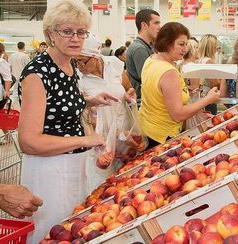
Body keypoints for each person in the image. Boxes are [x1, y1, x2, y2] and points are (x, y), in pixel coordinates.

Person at [17, 1, 118, 242]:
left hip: (73, 165)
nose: (76, 38)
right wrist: (85, 139)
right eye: (67, 31)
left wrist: (89, 101)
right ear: (50, 33)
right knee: (53, 233)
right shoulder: (37, 73)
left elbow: (58, 105)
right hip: (49, 171)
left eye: (81, 32)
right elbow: (29, 141)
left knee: (72, 230)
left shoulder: (69, 64)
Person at [138, 22, 220, 149]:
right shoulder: (169, 72)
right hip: (163, 137)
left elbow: (159, 92)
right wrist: (208, 99)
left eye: (186, 44)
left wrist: (184, 92)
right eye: (181, 44)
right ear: (167, 43)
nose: (185, 49)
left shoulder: (151, 60)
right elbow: (178, 115)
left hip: (147, 129)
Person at [76, 33, 136, 192]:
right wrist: (104, 141)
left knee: (127, 182)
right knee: (104, 187)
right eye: (76, 61)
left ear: (95, 56)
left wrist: (129, 94)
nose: (79, 66)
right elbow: (83, 113)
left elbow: (126, 88)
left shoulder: (114, 64)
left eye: (82, 61)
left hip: (124, 134)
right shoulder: (79, 79)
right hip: (102, 140)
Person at [126, 9, 161, 105]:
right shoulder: (139, 49)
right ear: (144, 25)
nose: (159, 27)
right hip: (142, 102)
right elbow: (149, 80)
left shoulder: (146, 47)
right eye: (156, 23)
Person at [195, 34, 220, 115]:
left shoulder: (198, 60)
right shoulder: (209, 62)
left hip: (199, 99)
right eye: (216, 45)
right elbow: (214, 84)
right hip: (208, 100)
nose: (217, 49)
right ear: (212, 47)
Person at [9, 41, 30, 107]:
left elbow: (10, 66)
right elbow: (28, 66)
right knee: (21, 92)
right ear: (24, 47)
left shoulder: (12, 55)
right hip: (22, 76)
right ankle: (13, 104)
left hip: (14, 76)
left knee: (15, 91)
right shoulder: (25, 56)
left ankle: (11, 104)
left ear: (17, 47)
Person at [0, 42, 12, 144]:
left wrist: (7, 91)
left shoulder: (0, 62)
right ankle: (8, 137)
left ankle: (8, 136)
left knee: (0, 117)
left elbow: (8, 78)